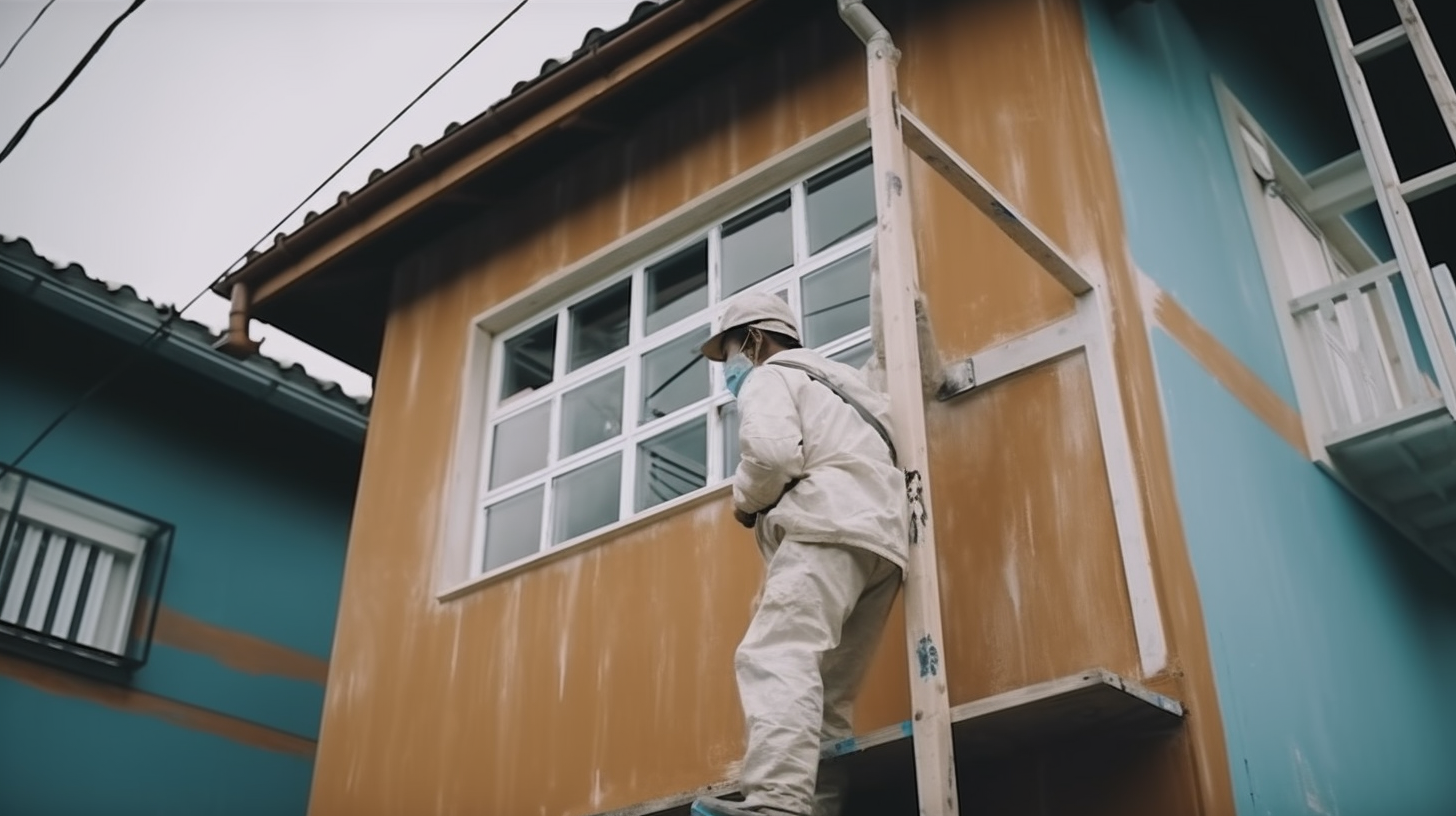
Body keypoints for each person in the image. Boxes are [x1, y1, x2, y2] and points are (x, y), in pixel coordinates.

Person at [692, 258, 943, 816]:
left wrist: (746, 500)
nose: (728, 369)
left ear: (754, 340)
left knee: (775, 656)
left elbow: (775, 453)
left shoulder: (770, 378)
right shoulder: (848, 384)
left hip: (824, 528)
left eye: (729, 353)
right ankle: (815, 808)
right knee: (828, 695)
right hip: (882, 547)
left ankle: (777, 806)